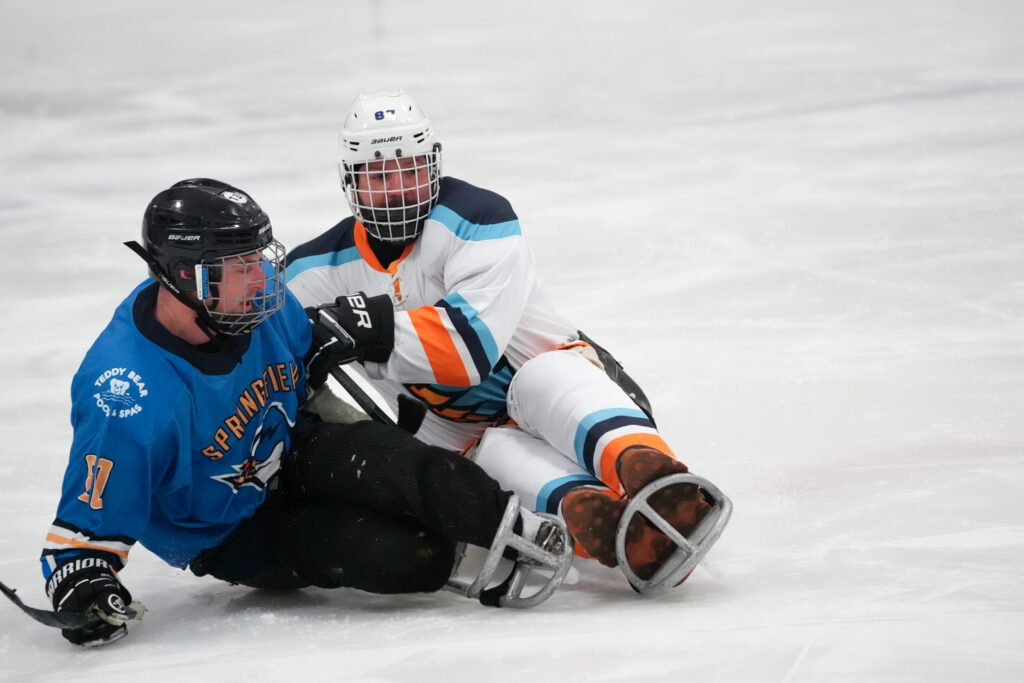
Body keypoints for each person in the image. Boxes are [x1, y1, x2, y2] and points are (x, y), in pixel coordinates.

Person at [39, 178, 572, 648]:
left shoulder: (256, 306)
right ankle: (466, 563)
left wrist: (389, 442)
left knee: (404, 464)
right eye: (239, 268)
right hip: (227, 532)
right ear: (183, 276)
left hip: (290, 444)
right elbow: (89, 526)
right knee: (394, 554)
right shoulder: (127, 393)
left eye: (259, 260)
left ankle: (518, 527)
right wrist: (84, 581)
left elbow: (308, 372)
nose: (263, 280)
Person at [285, 91, 732, 594]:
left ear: (433, 164)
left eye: (410, 170)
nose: (399, 190)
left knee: (541, 380)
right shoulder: (309, 273)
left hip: (564, 382)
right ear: (351, 182)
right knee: (486, 458)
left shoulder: (478, 216)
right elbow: (265, 356)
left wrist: (364, 326)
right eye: (379, 176)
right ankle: (603, 522)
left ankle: (647, 468)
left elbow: (466, 350)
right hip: (460, 432)